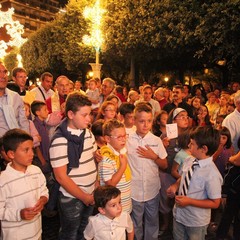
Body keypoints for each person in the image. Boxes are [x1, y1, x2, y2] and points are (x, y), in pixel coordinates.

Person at [49, 92, 97, 240]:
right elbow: (61, 177)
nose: (89, 119)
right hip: (72, 198)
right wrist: (84, 197)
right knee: (69, 234)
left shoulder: (88, 133)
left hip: (91, 193)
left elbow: (93, 158)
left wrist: (96, 183)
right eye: (84, 115)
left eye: (90, 114)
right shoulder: (60, 140)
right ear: (70, 114)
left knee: (84, 231)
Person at [167, 126, 223, 240]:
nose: (188, 146)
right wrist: (175, 186)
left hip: (195, 221)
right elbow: (184, 177)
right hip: (179, 215)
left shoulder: (212, 174)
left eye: (192, 144)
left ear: (204, 149)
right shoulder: (189, 160)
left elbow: (215, 202)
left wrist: (190, 201)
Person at [126, 102, 168, 240]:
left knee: (152, 220)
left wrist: (154, 157)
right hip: (134, 189)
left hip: (152, 189)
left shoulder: (156, 140)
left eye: (149, 121)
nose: (146, 125)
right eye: (142, 121)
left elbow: (165, 164)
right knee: (136, 221)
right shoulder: (127, 140)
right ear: (134, 121)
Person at [0, 129, 48, 239]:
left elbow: (44, 191)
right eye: (26, 150)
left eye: (32, 149)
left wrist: (43, 200)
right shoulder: (3, 180)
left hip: (36, 233)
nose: (32, 154)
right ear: (11, 154)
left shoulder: (36, 171)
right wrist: (19, 214)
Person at [99, 119, 132, 213]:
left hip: (124, 204)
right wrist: (123, 167)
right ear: (107, 139)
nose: (123, 139)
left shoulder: (121, 152)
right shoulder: (106, 158)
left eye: (125, 136)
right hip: (113, 210)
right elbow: (110, 184)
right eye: (119, 137)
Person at [0, 62, 29, 137]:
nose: (3, 76)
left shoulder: (15, 97)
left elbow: (23, 123)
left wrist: (25, 141)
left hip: (17, 144)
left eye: (5, 72)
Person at [31, 100, 51, 173]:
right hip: (41, 158)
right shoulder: (35, 125)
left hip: (47, 155)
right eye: (45, 110)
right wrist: (42, 159)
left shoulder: (44, 123)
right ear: (37, 112)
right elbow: (36, 146)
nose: (48, 111)